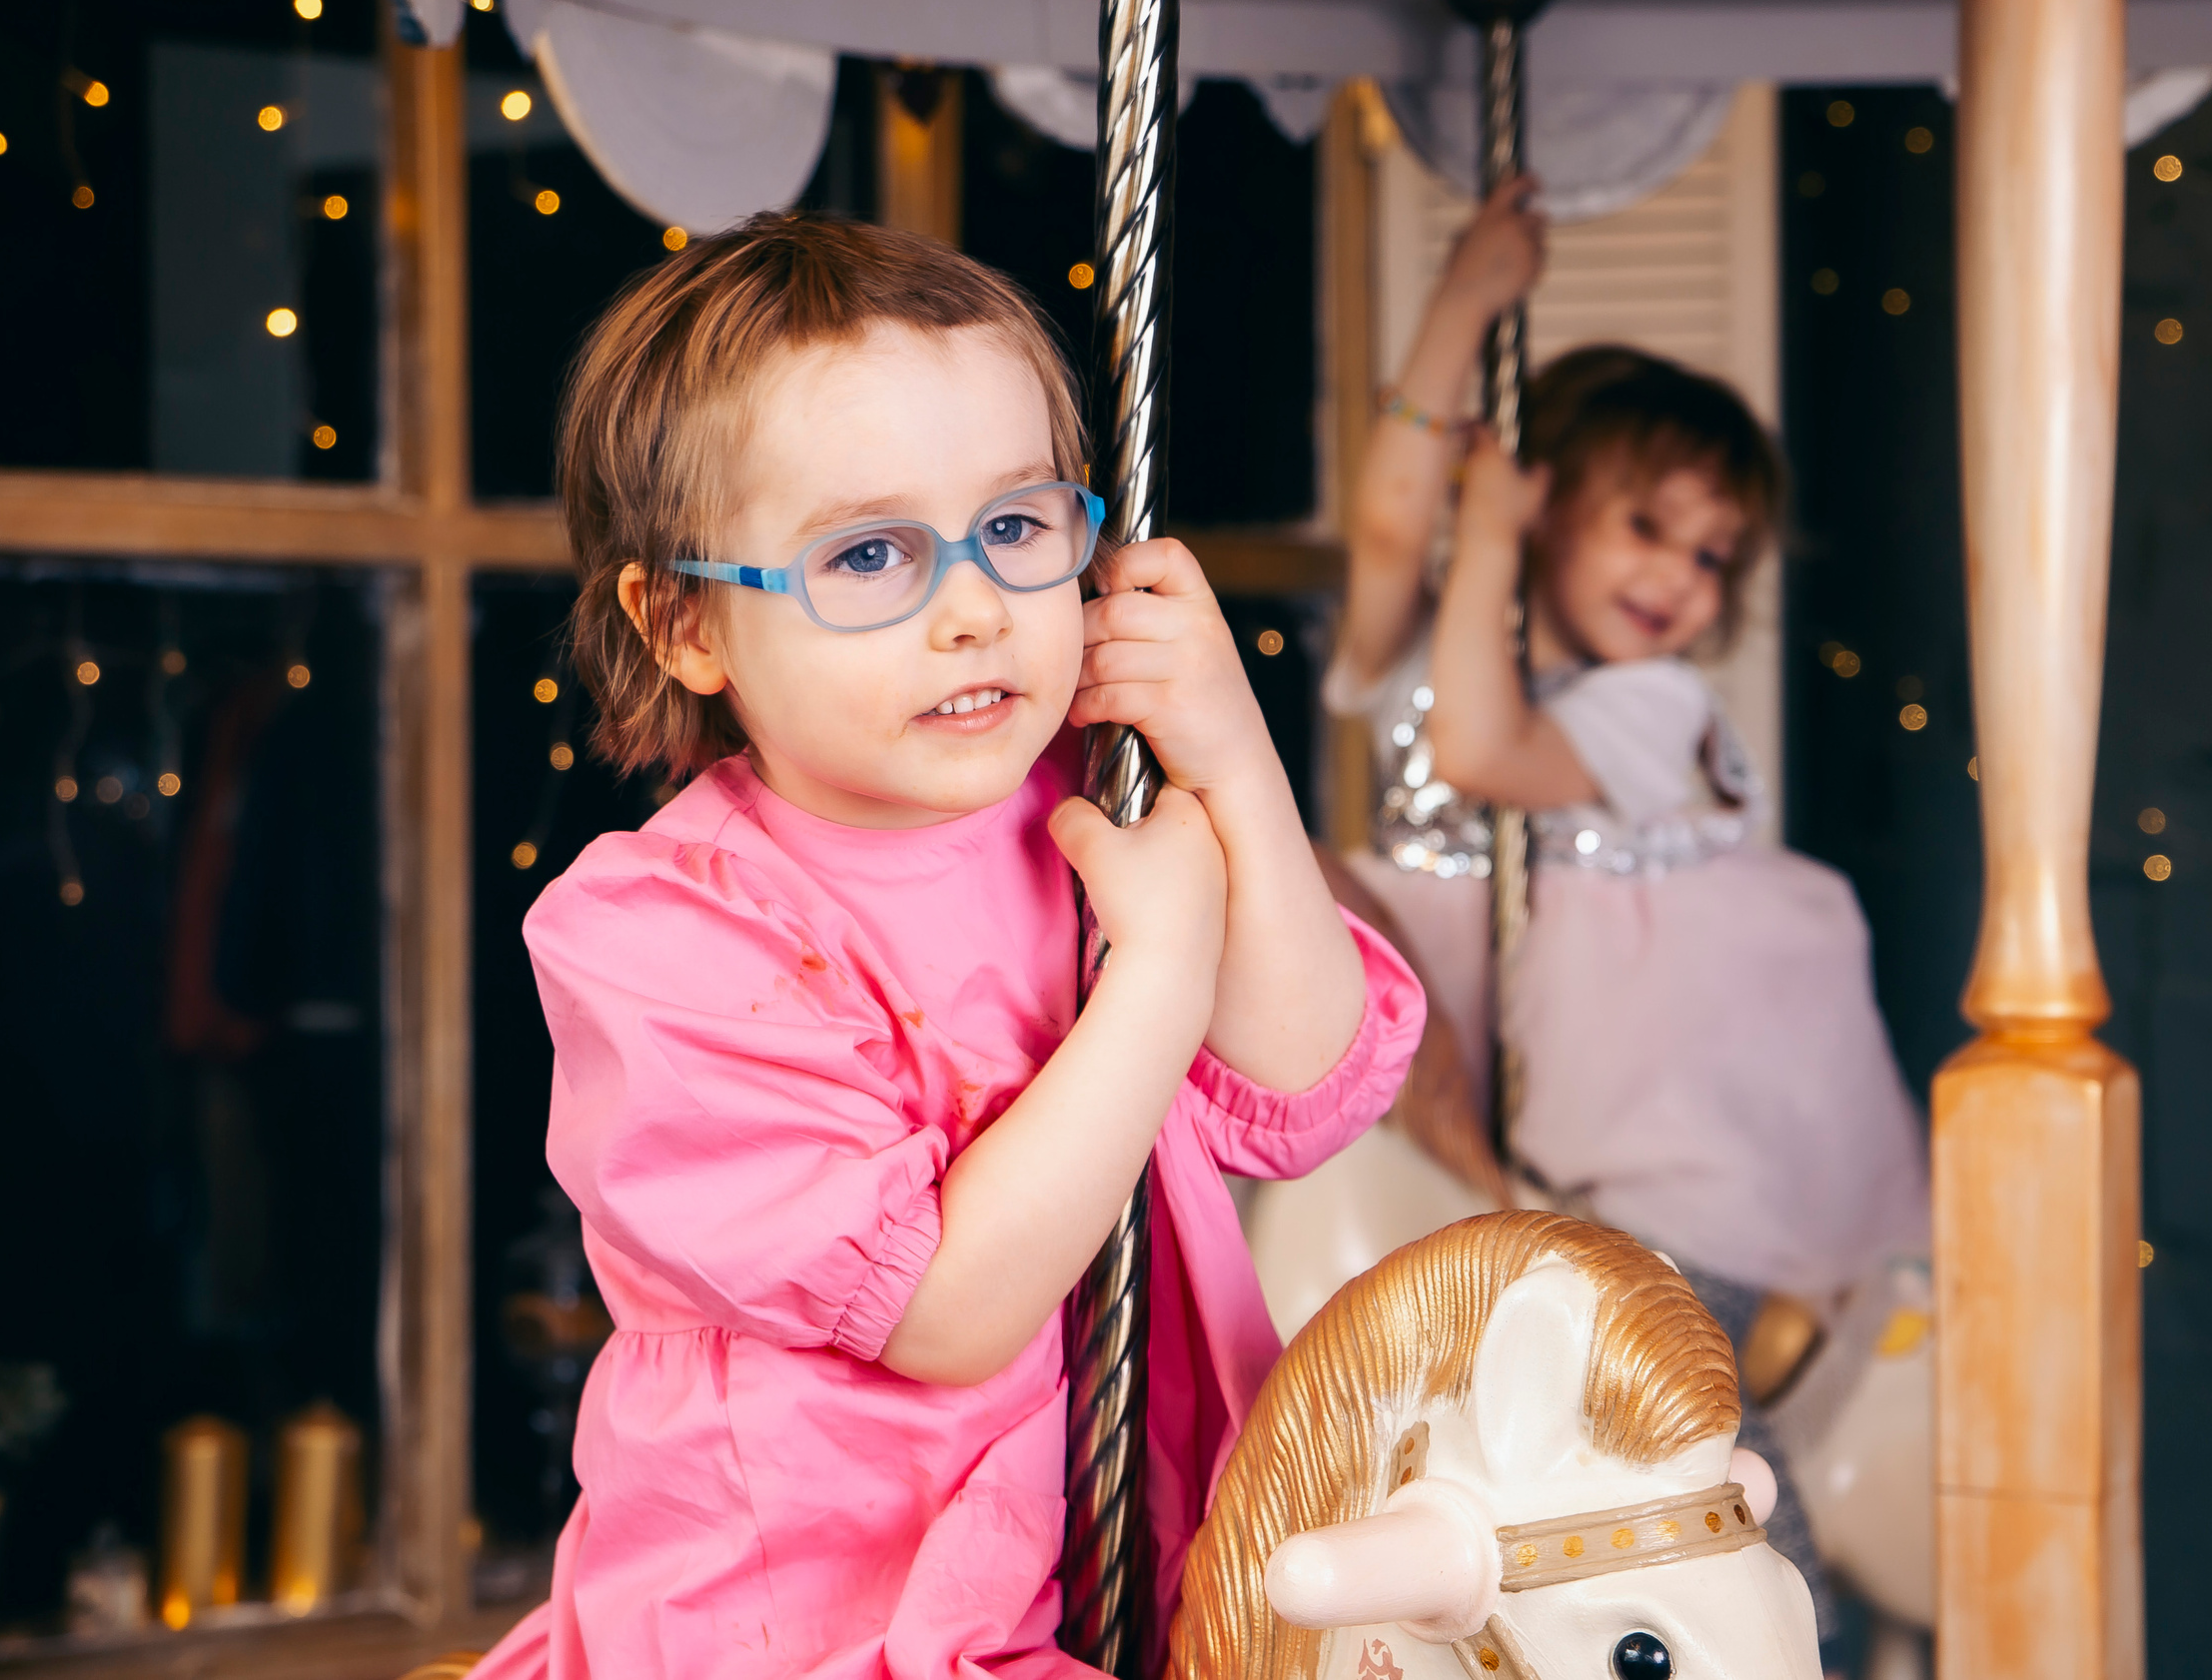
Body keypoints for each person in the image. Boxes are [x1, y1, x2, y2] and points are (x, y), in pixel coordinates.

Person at [468, 214, 1423, 1680]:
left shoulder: (1101, 809)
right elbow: (945, 1309)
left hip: (1133, 1543)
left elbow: (1312, 1086)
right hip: (832, 1602)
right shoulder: (668, 935)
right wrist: (1157, 976)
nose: (974, 610)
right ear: (685, 622)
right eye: (868, 554)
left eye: (1019, 528)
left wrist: (1231, 758)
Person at [1326, 177, 1928, 1659]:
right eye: (1647, 524)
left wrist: (1490, 540)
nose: (1678, 576)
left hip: (1652, 1119)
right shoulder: (1440, 639)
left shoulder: (1657, 711)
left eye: (1712, 554)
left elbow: (1482, 751)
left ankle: (1789, 1628)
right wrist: (1468, 299)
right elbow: (1388, 523)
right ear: (1552, 503)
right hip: (1434, 1077)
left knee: (1661, 1394)